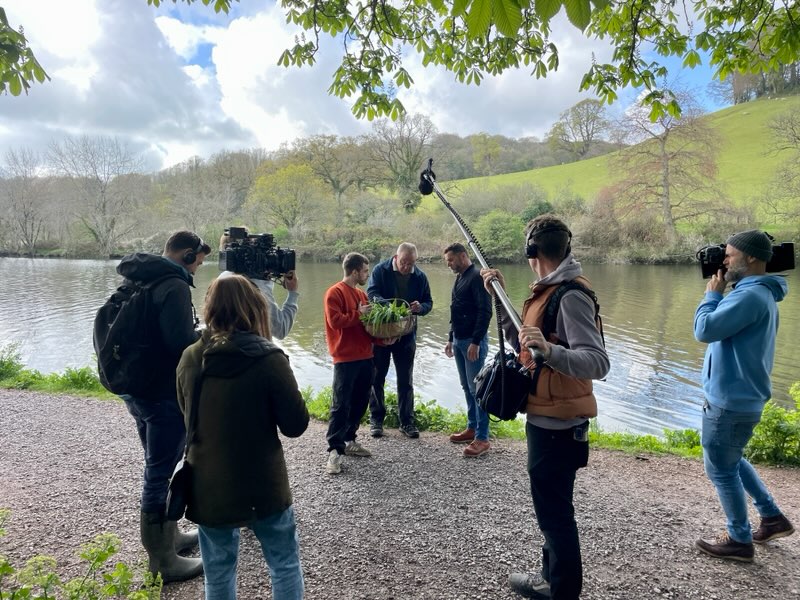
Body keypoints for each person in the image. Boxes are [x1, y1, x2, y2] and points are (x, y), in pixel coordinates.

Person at [481, 215, 609, 600]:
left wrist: (551, 350)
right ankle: (548, 578)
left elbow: (598, 362)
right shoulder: (549, 290)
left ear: (531, 251)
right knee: (552, 510)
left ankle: (561, 591)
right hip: (547, 418)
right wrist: (500, 298)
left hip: (560, 425)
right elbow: (526, 347)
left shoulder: (570, 295)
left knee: (555, 517)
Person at [176, 274, 309, 599]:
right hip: (263, 485)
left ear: (209, 308)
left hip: (207, 485)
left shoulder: (190, 357)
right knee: (284, 564)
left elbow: (187, 414)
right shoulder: (269, 359)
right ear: (254, 307)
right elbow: (296, 425)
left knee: (218, 572)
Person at [693, 230, 794, 563]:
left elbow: (704, 330)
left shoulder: (748, 297)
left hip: (730, 401)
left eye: (731, 254)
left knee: (721, 469)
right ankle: (771, 517)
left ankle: (738, 539)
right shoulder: (757, 292)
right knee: (731, 459)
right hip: (741, 397)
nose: (724, 260)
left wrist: (712, 295)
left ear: (751, 257)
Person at [117, 230, 211, 583]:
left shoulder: (139, 279)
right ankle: (162, 561)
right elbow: (178, 344)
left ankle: (169, 536)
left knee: (160, 462)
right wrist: (203, 335)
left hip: (136, 389)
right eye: (198, 262)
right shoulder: (172, 285)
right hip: (160, 393)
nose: (198, 269)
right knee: (159, 470)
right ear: (187, 256)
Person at [323, 253, 396, 474]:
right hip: (345, 358)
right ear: (355, 271)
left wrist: (383, 339)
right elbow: (335, 322)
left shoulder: (362, 295)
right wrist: (358, 313)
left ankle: (350, 439)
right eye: (365, 271)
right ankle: (334, 452)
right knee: (340, 405)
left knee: (360, 402)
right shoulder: (334, 292)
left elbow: (368, 328)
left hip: (366, 357)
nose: (367, 274)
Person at [367, 242, 433, 439]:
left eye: (410, 264)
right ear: (396, 257)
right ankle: (376, 420)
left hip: (406, 335)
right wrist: (389, 308)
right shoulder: (380, 270)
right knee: (377, 377)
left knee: (406, 379)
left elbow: (429, 302)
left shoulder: (420, 276)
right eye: (404, 262)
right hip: (382, 333)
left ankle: (407, 421)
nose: (406, 267)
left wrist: (420, 307)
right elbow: (372, 294)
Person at [442, 242, 492, 458]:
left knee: (478, 391)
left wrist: (476, 342)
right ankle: (472, 427)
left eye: (451, 260)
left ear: (463, 256)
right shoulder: (460, 277)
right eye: (447, 261)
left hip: (473, 343)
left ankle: (482, 438)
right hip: (459, 341)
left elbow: (485, 311)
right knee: (466, 387)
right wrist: (450, 339)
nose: (449, 265)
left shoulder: (477, 276)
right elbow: (456, 310)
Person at [219, 230, 299, 340]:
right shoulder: (256, 287)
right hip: (253, 353)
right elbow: (281, 330)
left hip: (222, 347)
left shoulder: (221, 279)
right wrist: (292, 293)